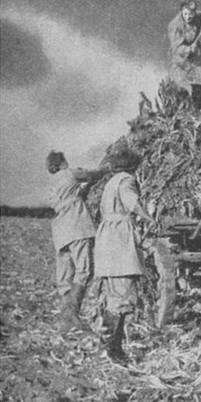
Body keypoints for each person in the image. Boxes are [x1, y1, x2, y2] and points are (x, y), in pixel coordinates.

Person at [94, 147, 156, 365]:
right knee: (124, 294)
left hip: (107, 236)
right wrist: (149, 219)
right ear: (132, 166)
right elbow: (133, 204)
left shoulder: (110, 183)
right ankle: (114, 349)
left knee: (114, 293)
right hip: (119, 238)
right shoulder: (127, 181)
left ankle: (109, 344)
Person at [46, 151, 107, 333]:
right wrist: (108, 168)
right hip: (76, 225)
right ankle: (72, 315)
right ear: (63, 161)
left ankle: (65, 320)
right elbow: (94, 174)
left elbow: (72, 193)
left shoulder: (52, 183)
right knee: (84, 270)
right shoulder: (71, 174)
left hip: (60, 229)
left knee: (64, 275)